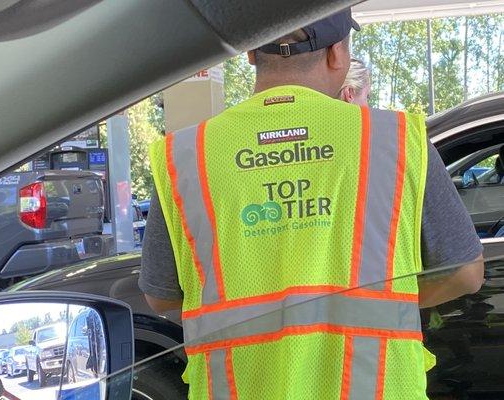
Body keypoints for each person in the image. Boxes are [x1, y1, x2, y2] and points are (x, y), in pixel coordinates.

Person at [139, 7, 484, 399]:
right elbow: (465, 273)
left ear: (251, 53)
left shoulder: (186, 156)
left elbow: (162, 294)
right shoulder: (397, 140)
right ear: (338, 53)